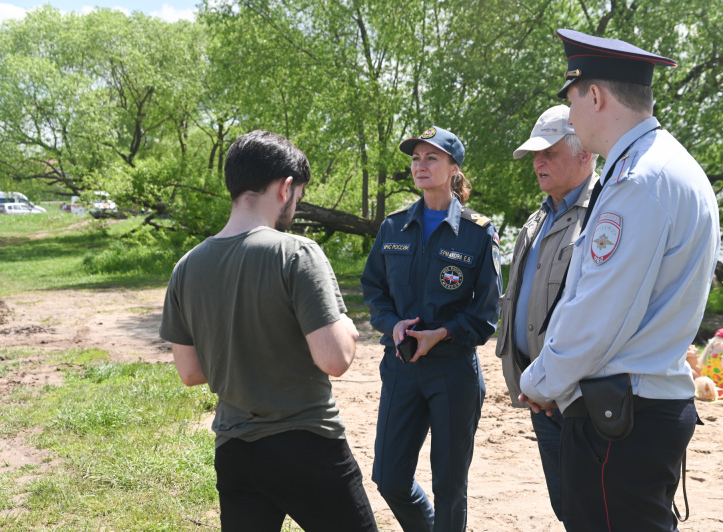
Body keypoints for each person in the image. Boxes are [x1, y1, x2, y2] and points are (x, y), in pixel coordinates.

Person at [518, 29, 721, 531]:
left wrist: (540, 380)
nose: (569, 116)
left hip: (621, 418)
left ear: (595, 95)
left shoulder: (639, 179)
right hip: (642, 407)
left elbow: (598, 312)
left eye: (570, 100)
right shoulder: (665, 165)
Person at [159, 130, 378, 532]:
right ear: (286, 187)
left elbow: (190, 373)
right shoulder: (297, 252)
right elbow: (334, 359)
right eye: (298, 194)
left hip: (235, 452)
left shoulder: (186, 267)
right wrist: (346, 326)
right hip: (308, 445)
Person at [361, 125, 502, 531]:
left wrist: (442, 333)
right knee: (388, 478)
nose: (420, 166)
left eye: (432, 158)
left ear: (453, 168)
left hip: (452, 371)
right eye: (416, 158)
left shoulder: (478, 232)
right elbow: (374, 288)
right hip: (402, 367)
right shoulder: (394, 227)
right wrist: (392, 325)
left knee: (450, 486)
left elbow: (486, 311)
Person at [495, 104, 599, 522]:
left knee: (595, 512)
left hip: (580, 399)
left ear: (585, 153)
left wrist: (555, 381)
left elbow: (596, 317)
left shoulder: (602, 215)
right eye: (535, 154)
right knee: (566, 507)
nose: (538, 162)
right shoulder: (536, 220)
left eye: (549, 152)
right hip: (539, 395)